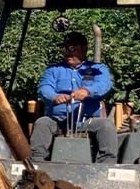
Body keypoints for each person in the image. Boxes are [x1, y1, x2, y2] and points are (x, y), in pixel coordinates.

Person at [30, 31, 118, 163]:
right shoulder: (53, 70)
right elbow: (44, 88)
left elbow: (104, 84)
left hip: (87, 121)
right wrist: (55, 96)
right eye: (65, 48)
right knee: (42, 123)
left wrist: (87, 91)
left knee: (106, 125)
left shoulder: (97, 69)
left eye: (71, 48)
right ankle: (36, 163)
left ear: (84, 48)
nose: (67, 52)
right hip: (58, 121)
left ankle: (106, 166)